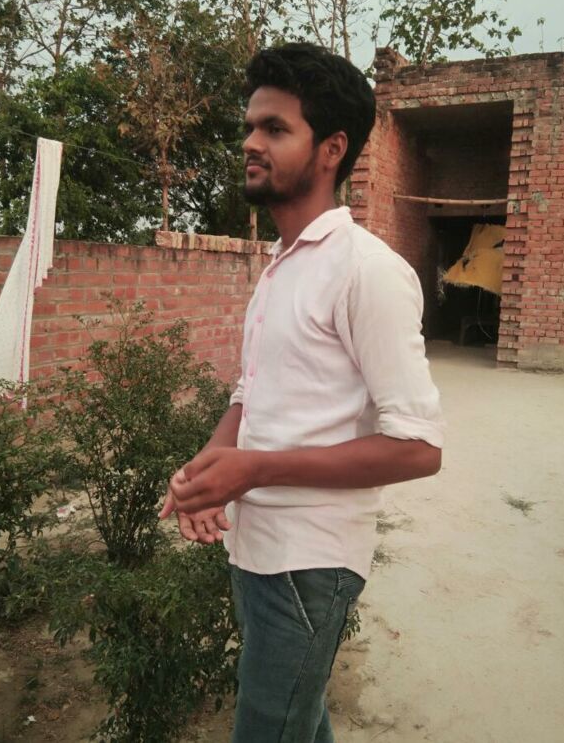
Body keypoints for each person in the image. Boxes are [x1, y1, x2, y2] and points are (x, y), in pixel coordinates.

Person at [159, 42, 444, 743]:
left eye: (275, 128)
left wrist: (254, 469)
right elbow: (249, 391)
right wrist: (211, 467)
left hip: (310, 565)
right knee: (300, 725)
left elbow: (419, 447)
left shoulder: (367, 271)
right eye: (250, 126)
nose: (250, 142)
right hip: (255, 546)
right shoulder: (280, 265)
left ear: (331, 149)